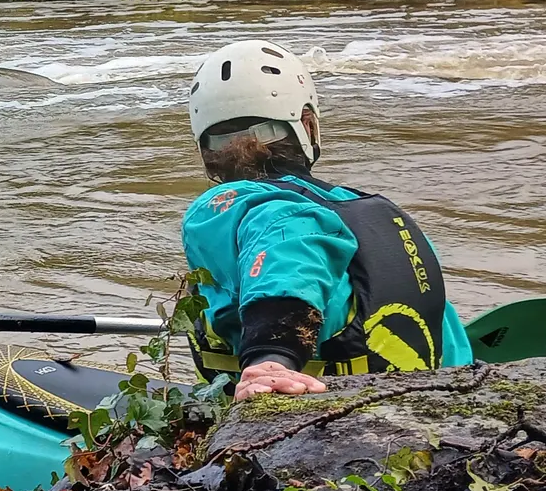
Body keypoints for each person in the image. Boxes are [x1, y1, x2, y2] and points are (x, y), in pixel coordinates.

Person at [179, 40, 472, 400]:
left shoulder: (231, 206)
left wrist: (273, 357)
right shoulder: (374, 212)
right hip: (441, 398)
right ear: (307, 125)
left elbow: (288, 250)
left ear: (206, 152)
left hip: (329, 414)